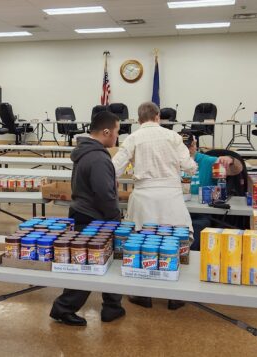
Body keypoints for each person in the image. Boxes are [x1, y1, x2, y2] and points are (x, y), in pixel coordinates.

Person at [112, 102, 197, 310]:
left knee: (142, 245)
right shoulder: (173, 137)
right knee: (174, 244)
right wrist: (192, 156)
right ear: (158, 116)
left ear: (138, 119)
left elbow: (113, 169)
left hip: (143, 197)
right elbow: (190, 168)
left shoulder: (132, 138)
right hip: (171, 196)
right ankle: (174, 296)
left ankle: (143, 294)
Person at [49, 111, 126, 326]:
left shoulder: (86, 152)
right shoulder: (99, 157)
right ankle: (63, 308)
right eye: (117, 131)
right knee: (87, 266)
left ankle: (112, 306)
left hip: (85, 213)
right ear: (106, 131)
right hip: (95, 217)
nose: (117, 137)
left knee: (104, 261)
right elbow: (104, 194)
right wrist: (115, 216)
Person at [183, 133, 245, 250]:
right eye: (183, 147)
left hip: (200, 213)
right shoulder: (173, 162)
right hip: (179, 212)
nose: (187, 150)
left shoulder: (207, 161)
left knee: (195, 231)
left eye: (189, 146)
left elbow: (237, 169)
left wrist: (230, 160)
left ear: (194, 145)